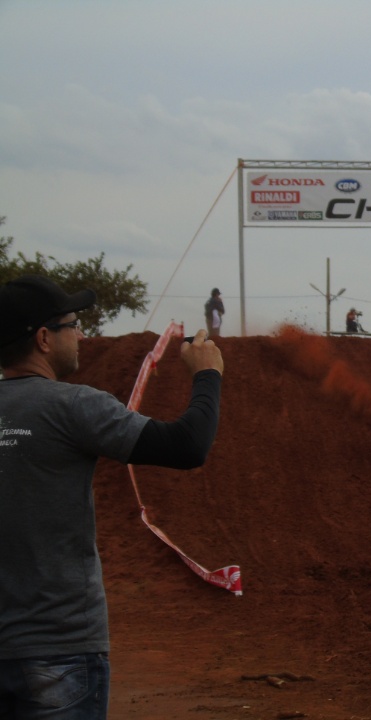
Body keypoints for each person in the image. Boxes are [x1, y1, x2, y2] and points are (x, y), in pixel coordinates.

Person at [0, 275, 224, 720]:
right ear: (44, 339)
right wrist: (207, 375)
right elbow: (187, 445)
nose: (81, 333)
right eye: (72, 323)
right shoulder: (72, 406)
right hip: (58, 646)